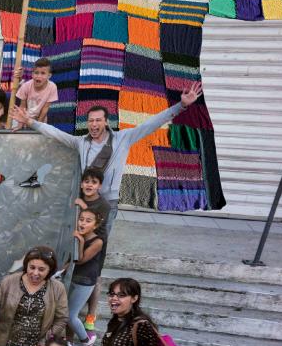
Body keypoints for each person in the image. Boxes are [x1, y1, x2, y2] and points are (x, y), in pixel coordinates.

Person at [13, 81, 203, 238]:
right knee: (76, 242)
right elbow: (55, 134)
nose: (94, 124)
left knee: (99, 245)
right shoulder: (80, 142)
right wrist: (31, 122)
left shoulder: (123, 138)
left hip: (107, 202)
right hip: (84, 200)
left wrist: (182, 106)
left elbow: (152, 123)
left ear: (106, 122)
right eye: (91, 121)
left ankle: (93, 283)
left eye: (98, 120)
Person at [0, 246, 69, 346]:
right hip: (7, 345)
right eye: (32, 267)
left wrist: (45, 340)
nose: (35, 273)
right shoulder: (9, 281)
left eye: (41, 269)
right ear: (26, 265)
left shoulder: (57, 288)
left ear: (50, 270)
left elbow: (62, 318)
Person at [67, 208, 107, 346]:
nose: (83, 223)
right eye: (81, 219)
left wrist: (81, 240)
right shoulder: (76, 235)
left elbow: (80, 259)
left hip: (85, 281)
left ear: (95, 225)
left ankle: (86, 339)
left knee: (70, 315)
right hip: (73, 278)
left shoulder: (98, 242)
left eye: (88, 221)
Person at [12, 58, 57, 126]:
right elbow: (22, 106)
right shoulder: (26, 86)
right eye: (36, 73)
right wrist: (21, 123)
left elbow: (45, 108)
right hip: (24, 118)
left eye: (43, 73)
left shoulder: (52, 87)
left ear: (49, 75)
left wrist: (38, 125)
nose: (39, 76)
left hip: (40, 120)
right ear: (32, 74)